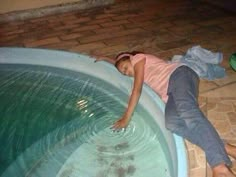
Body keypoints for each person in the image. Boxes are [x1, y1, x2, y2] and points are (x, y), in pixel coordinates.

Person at [95, 51, 236, 177]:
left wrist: (126, 118)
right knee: (172, 123)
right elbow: (120, 63)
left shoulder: (138, 58)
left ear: (131, 58)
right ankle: (223, 147)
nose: (127, 73)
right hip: (170, 92)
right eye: (124, 73)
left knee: (188, 113)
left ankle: (219, 166)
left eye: (126, 69)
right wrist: (106, 58)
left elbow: (136, 90)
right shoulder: (129, 63)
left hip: (179, 75)